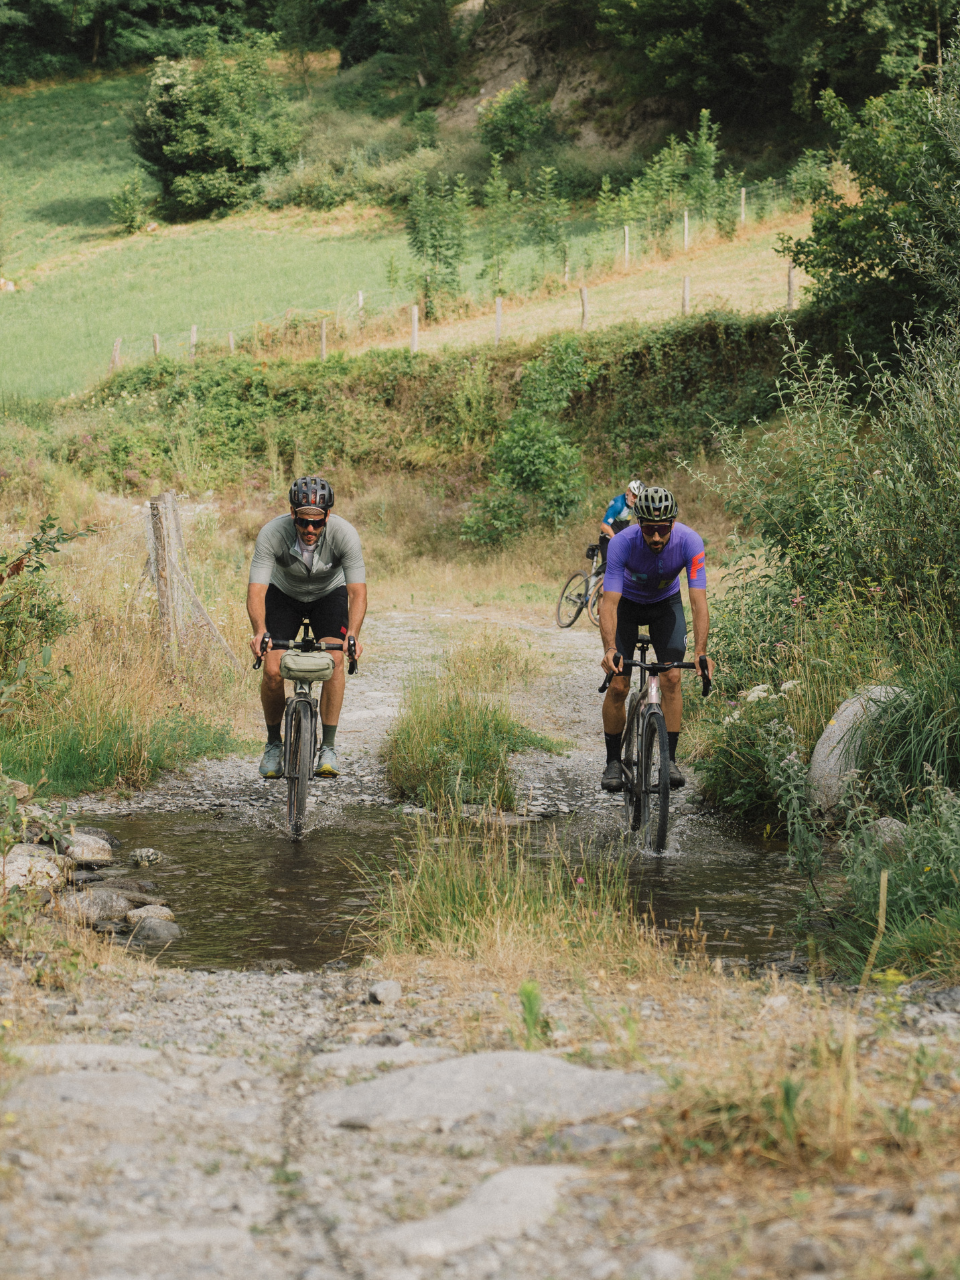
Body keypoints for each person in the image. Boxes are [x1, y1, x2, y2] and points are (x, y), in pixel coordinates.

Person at [247, 476, 366, 781]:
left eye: (317, 522)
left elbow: (357, 592)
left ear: (328, 516)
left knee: (335, 660)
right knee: (272, 669)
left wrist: (353, 635)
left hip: (329, 594)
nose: (310, 529)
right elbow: (257, 590)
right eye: (303, 521)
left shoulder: (344, 534)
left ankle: (328, 747)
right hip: (284, 594)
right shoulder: (272, 534)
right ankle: (274, 744)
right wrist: (259, 631)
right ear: (292, 514)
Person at [598, 485, 715, 792]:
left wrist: (701, 651)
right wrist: (610, 648)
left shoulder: (690, 541)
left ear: (673, 523)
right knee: (619, 683)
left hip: (665, 606)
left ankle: (670, 761)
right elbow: (609, 603)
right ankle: (613, 761)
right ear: (638, 523)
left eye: (662, 529)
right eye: (649, 529)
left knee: (672, 677)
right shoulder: (622, 543)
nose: (656, 537)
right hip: (627, 606)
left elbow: (698, 602)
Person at [599, 479, 643, 564]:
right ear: (628, 491)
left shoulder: (633, 504)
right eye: (634, 496)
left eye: (638, 497)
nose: (634, 500)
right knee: (610, 566)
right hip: (608, 539)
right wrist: (616, 540)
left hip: (621, 539)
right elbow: (604, 526)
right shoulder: (618, 505)